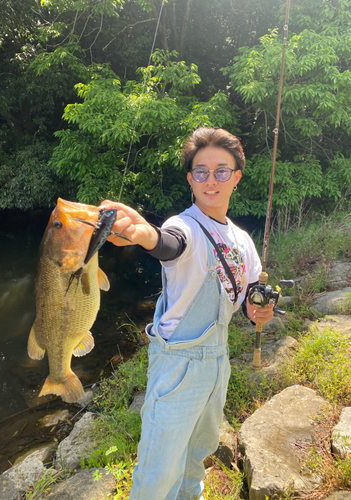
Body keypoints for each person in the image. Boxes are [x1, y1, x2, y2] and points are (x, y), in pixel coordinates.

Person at [102, 127, 274, 500]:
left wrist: (257, 311)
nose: (211, 180)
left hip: (217, 363)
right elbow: (168, 245)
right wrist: (141, 234)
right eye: (201, 171)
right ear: (190, 179)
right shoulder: (184, 225)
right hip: (178, 367)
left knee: (196, 459)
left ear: (236, 178)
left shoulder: (243, 241)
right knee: (157, 473)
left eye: (221, 170)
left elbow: (244, 299)